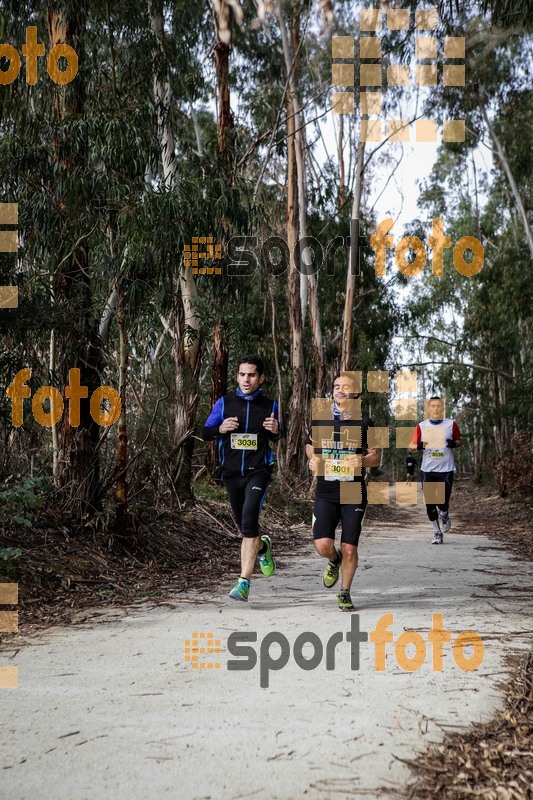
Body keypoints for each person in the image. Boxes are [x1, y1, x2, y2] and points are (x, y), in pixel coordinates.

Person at [202, 355, 281, 601]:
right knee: (245, 527)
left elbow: (278, 435)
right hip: (231, 473)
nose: (246, 379)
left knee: (249, 522)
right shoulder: (224, 403)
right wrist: (220, 429)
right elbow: (206, 432)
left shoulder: (271, 406)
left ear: (261, 378)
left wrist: (277, 431)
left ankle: (243, 582)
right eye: (242, 374)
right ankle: (263, 546)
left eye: (252, 375)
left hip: (259, 471)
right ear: (237, 376)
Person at [305, 372, 381, 611]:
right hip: (326, 490)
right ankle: (333, 560)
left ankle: (345, 592)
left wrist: (360, 459)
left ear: (355, 393)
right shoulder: (321, 419)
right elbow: (310, 446)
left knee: (350, 547)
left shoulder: (366, 422)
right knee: (323, 546)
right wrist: (313, 459)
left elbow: (375, 457)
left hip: (352, 491)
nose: (339, 390)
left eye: (345, 387)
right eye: (336, 386)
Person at [409, 396, 461, 544]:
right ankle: (437, 532)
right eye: (433, 406)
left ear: (443, 408)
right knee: (430, 503)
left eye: (439, 406)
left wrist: (454, 444)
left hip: (446, 470)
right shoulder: (422, 426)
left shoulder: (451, 424)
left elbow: (458, 440)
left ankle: (444, 513)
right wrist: (419, 446)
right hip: (428, 470)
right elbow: (411, 447)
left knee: (443, 502)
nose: (436, 408)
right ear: (428, 409)